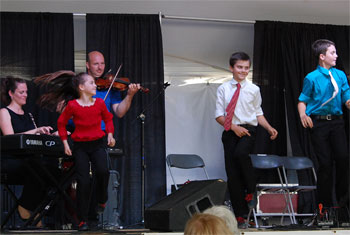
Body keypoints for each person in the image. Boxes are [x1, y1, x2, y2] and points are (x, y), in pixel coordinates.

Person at [215, 52, 278, 227]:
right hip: (230, 130)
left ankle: (251, 187)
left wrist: (269, 127)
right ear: (231, 68)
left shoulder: (254, 89)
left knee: (241, 154)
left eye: (246, 68)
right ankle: (241, 215)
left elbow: (258, 113)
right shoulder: (223, 88)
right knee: (233, 174)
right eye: (239, 67)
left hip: (248, 130)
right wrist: (234, 127)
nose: (243, 71)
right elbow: (219, 115)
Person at [57, 72, 116, 231]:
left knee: (103, 172)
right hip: (80, 146)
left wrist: (110, 134)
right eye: (91, 83)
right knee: (83, 182)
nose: (95, 85)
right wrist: (65, 143)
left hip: (97, 143)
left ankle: (101, 200)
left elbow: (108, 118)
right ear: (81, 87)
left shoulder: (99, 103)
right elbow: (61, 123)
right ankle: (82, 220)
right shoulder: (72, 106)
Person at [298, 39, 350, 213]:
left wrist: (349, 102)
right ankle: (324, 207)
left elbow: (346, 96)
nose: (336, 56)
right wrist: (303, 114)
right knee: (325, 164)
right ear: (322, 56)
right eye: (332, 53)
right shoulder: (311, 78)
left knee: (343, 159)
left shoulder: (340, 75)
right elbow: (302, 101)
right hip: (318, 123)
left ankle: (343, 205)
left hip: (337, 122)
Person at [0, 77, 55, 227]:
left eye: (26, 92)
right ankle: (26, 207)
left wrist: (49, 135)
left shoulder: (28, 114)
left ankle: (31, 206)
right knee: (37, 168)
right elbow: (9, 138)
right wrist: (35, 130)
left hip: (30, 160)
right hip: (11, 161)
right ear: (11, 93)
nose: (25, 95)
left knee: (53, 170)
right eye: (21, 92)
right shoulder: (4, 112)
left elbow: (35, 138)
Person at [86, 51, 140, 119]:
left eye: (102, 63)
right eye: (96, 64)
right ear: (88, 65)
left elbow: (119, 113)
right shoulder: (79, 83)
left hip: (102, 129)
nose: (100, 67)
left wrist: (129, 95)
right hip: (80, 128)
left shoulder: (111, 85)